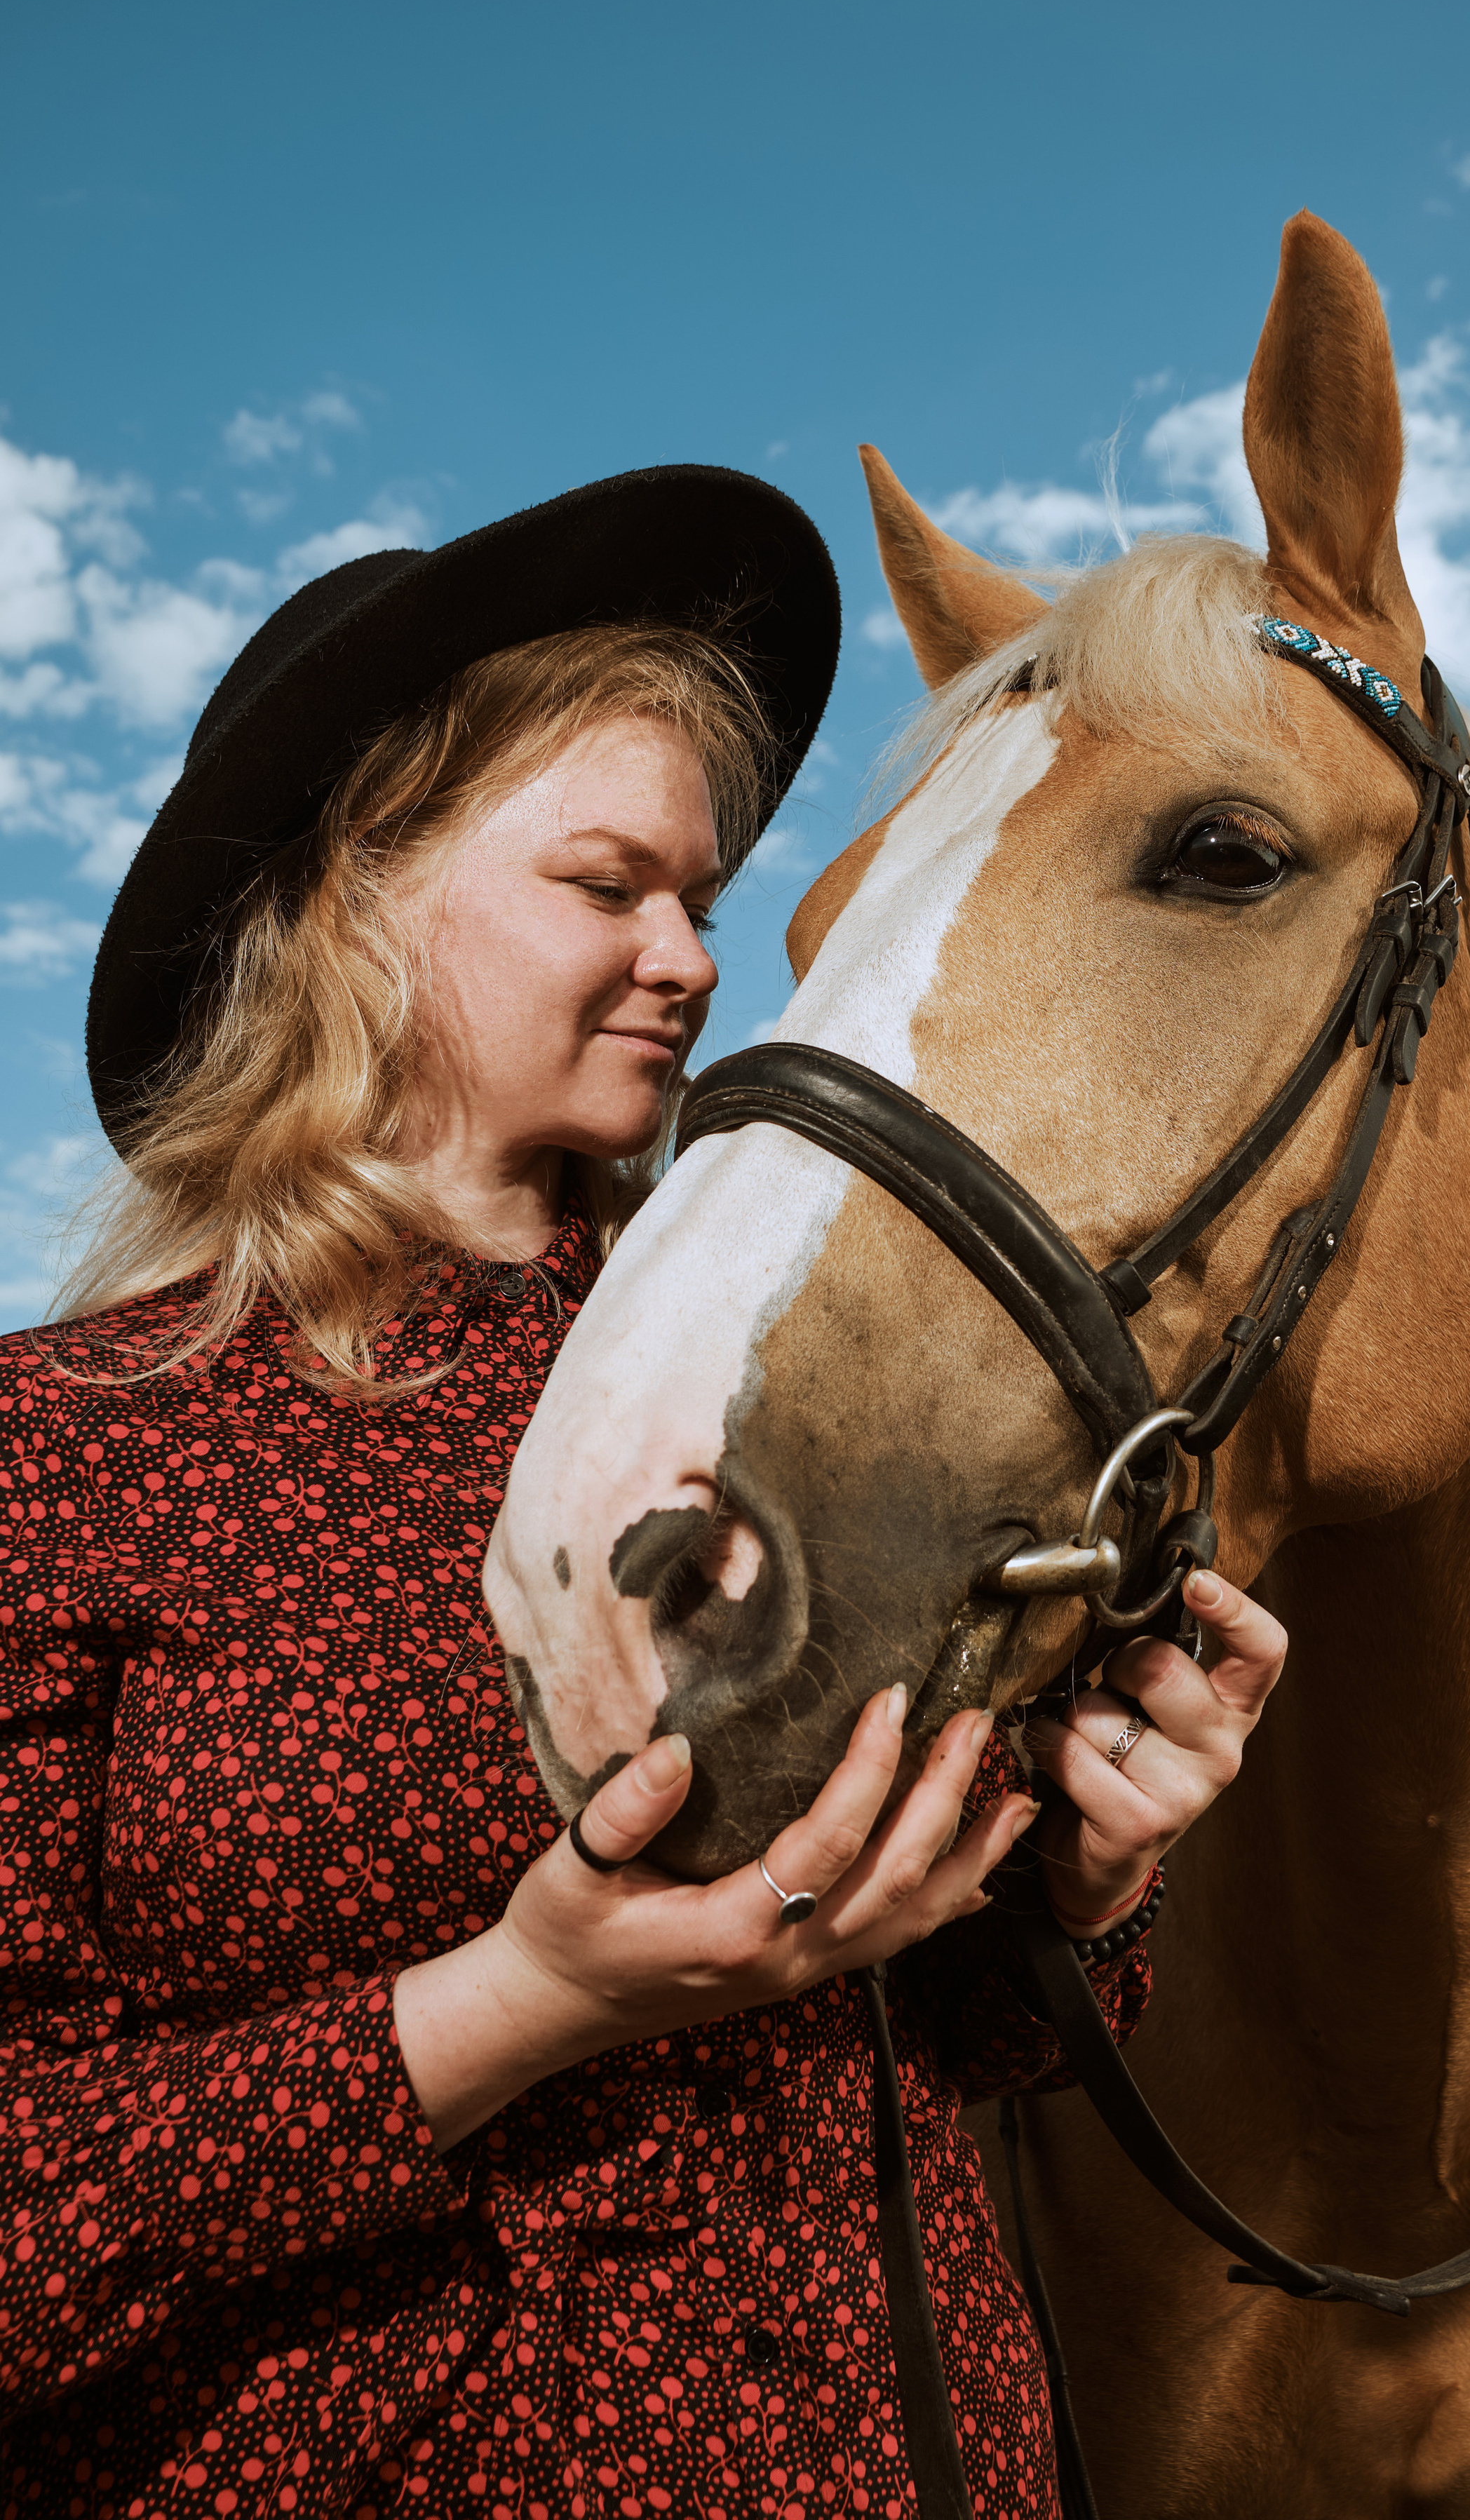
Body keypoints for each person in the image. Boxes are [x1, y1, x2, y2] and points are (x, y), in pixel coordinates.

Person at [0, 467, 1287, 2520]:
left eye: (702, 901)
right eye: (609, 886)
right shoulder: (60, 1454)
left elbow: (954, 2034)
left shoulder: (778, 1407)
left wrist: (1088, 1876)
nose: (691, 963)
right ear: (352, 895)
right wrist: (516, 2009)